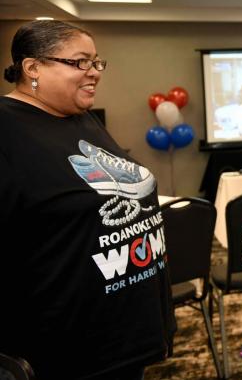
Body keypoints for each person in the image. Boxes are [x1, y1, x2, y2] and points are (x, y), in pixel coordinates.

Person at [0, 21, 175, 379]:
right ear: (32, 67)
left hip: (123, 334)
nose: (94, 73)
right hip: (68, 347)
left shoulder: (80, 117)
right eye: (80, 62)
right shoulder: (7, 129)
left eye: (97, 63)